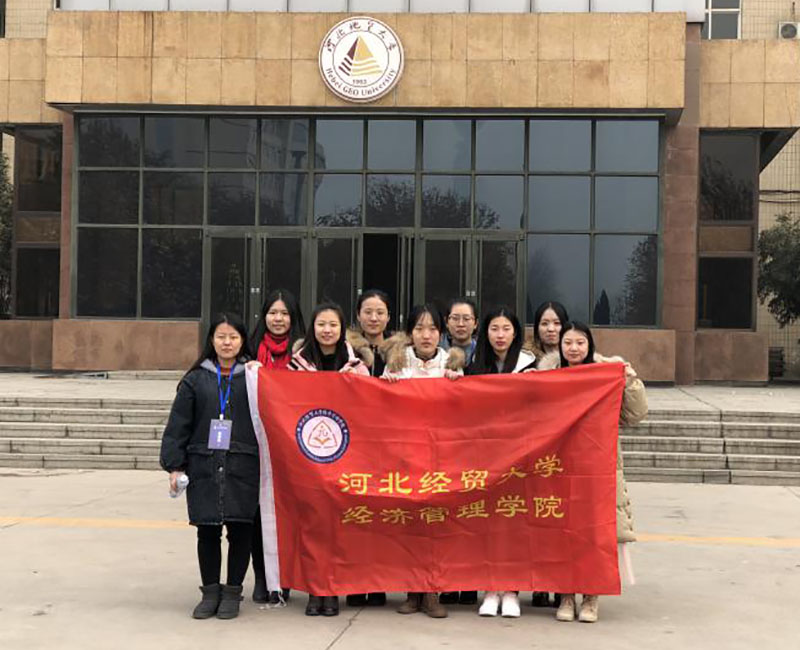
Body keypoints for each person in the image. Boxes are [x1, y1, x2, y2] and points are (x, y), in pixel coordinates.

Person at [539, 321, 647, 623]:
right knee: (561, 534)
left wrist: (629, 379)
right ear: (560, 346)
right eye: (568, 342)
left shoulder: (605, 375)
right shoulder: (547, 377)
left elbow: (635, 415)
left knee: (594, 534)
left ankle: (590, 597)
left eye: (580, 342)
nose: (573, 348)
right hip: (557, 469)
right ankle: (565, 596)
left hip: (596, 471)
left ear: (590, 346)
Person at [160, 313, 258, 621]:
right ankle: (210, 592)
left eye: (233, 337)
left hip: (244, 465)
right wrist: (175, 466)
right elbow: (178, 426)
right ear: (211, 340)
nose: (227, 343)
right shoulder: (195, 379)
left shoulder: (254, 377)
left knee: (241, 531)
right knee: (207, 530)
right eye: (221, 337)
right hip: (204, 465)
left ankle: (232, 592)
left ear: (243, 341)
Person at [381, 304, 464, 619]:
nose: (426, 335)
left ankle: (432, 591)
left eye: (432, 329)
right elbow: (378, 408)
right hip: (404, 457)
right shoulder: (396, 363)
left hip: (441, 459)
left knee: (436, 526)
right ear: (410, 333)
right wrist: (386, 388)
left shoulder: (451, 364)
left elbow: (464, 411)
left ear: (441, 334)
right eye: (419, 328)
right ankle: (411, 591)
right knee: (409, 526)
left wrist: (458, 385)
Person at [288, 302, 370, 616]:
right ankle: (314, 589)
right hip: (308, 458)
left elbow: (369, 408)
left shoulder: (357, 364)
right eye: (321, 324)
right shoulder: (296, 364)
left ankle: (333, 589)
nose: (327, 330)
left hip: (347, 458)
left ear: (342, 329)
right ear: (312, 327)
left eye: (333, 325)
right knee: (312, 527)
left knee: (339, 529)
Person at [465, 307, 535, 617]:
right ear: (486, 332)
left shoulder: (529, 365)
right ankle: (490, 589)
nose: (500, 335)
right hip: (484, 456)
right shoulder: (474, 366)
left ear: (515, 332)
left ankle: (512, 591)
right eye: (494, 328)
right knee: (488, 525)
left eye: (506, 329)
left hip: (519, 457)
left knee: (514, 525)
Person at [248, 289, 304, 606]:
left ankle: (285, 577)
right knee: (258, 515)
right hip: (259, 447)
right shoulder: (250, 351)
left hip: (293, 450)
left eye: (284, 313)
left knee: (291, 516)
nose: (278, 319)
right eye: (273, 312)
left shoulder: (303, 354)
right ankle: (262, 576)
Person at [529, 300, 570, 608]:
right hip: (533, 454)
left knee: (563, 522)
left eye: (556, 323)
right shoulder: (525, 361)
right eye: (545, 323)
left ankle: (562, 584)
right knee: (536, 521)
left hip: (567, 454)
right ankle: (539, 585)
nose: (551, 329)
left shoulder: (584, 360)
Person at [348, 289, 392, 379]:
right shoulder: (347, 349)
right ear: (358, 315)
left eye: (380, 313)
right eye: (368, 312)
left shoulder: (401, 352)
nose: (373, 318)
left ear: (388, 317)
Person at [440, 298, 478, 367]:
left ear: (475, 323)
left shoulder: (482, 352)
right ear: (446, 322)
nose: (461, 324)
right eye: (455, 318)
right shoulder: (436, 352)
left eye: (466, 319)